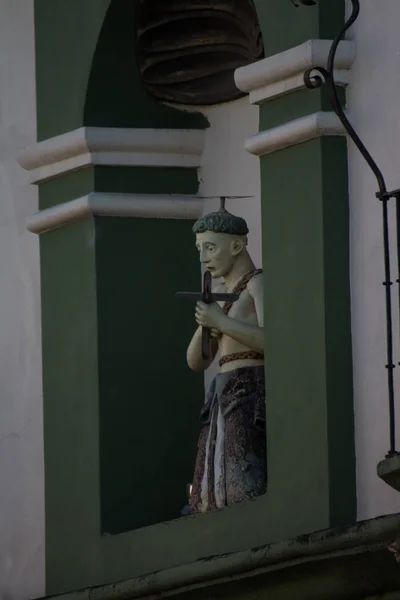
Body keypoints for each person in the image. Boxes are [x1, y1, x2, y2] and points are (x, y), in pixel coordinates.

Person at [187, 207, 267, 514]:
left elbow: (274, 340)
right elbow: (196, 362)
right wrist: (208, 321)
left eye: (210, 247)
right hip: (223, 390)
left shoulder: (257, 285)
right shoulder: (223, 295)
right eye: (200, 249)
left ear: (236, 245)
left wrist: (221, 321)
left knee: (244, 462)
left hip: (250, 387)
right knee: (217, 463)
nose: (204, 257)